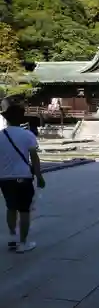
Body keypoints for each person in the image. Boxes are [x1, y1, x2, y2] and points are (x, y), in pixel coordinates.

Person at [0, 95, 45, 253]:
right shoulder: (28, 135)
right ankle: (23, 242)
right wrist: (39, 176)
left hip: (4, 178)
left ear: (6, 119)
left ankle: (12, 237)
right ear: (21, 119)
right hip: (23, 177)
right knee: (24, 210)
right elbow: (34, 158)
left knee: (11, 207)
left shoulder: (0, 136)